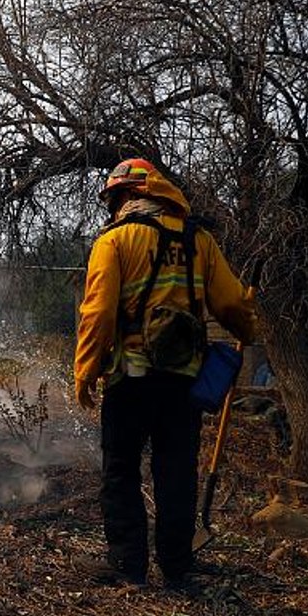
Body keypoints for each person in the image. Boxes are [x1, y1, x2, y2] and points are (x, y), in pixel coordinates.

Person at [74, 158, 255, 590]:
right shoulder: (199, 240)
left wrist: (86, 371)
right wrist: (248, 328)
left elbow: (97, 314)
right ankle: (177, 569)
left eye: (115, 198)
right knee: (176, 472)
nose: (113, 208)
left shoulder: (114, 241)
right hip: (183, 382)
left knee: (121, 471)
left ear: (130, 195)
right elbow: (231, 304)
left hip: (130, 380)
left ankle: (127, 566)